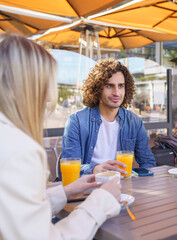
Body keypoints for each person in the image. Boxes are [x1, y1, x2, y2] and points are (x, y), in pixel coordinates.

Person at [0, 33, 122, 239]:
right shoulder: (20, 151)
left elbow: (13, 210)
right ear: (27, 85)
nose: (48, 96)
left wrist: (64, 192)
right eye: (45, 83)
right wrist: (101, 200)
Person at [62, 58, 156, 175]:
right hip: (88, 187)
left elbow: (148, 163)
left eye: (121, 86)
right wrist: (95, 169)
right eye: (109, 86)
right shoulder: (76, 121)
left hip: (122, 187)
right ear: (97, 89)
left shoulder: (134, 122)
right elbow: (69, 169)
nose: (116, 92)